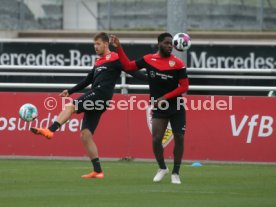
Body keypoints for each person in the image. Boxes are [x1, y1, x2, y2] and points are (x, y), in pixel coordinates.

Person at [30, 32, 145, 179]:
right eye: (94, 44)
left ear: (106, 44)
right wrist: (70, 91)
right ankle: (98, 171)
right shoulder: (98, 62)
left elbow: (132, 71)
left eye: (98, 44)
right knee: (85, 135)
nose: (95, 47)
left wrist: (151, 79)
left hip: (100, 95)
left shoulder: (115, 58)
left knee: (71, 106)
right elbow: (87, 80)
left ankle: (50, 130)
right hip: (97, 98)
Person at [110, 33, 189, 184]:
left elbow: (184, 87)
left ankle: (176, 172)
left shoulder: (178, 63)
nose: (169, 46)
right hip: (159, 107)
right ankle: (162, 168)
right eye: (166, 43)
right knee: (156, 139)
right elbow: (128, 67)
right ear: (159, 44)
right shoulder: (148, 59)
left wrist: (165, 97)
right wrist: (119, 47)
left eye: (171, 43)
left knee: (179, 137)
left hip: (176, 106)